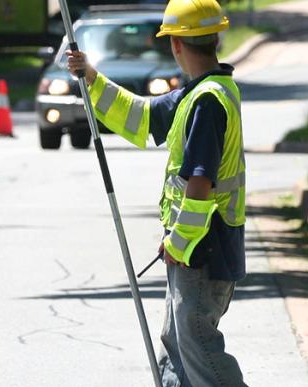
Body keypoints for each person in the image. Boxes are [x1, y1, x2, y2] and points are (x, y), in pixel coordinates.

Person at [66, 1, 248, 386]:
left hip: (202, 251)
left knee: (198, 348)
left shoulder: (207, 102)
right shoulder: (198, 94)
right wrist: (92, 78)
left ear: (176, 45)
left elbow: (200, 185)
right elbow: (143, 117)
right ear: (215, 38)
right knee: (178, 346)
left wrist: (179, 242)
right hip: (197, 249)